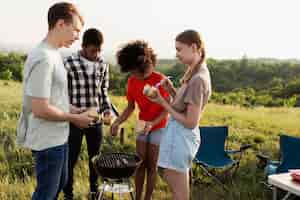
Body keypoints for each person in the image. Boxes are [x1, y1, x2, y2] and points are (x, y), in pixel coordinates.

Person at [16, 2, 95, 200]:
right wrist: (74, 119)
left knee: (59, 184)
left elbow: (50, 97)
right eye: (75, 30)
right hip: (47, 141)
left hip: (59, 137)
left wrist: (73, 109)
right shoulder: (43, 57)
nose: (78, 36)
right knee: (46, 194)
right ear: (60, 24)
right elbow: (40, 108)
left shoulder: (54, 54)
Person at [146, 30, 212, 200]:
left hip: (180, 138)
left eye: (179, 49)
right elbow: (185, 107)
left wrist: (162, 102)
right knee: (179, 189)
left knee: (180, 194)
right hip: (180, 137)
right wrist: (171, 91)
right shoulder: (195, 72)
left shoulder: (198, 79)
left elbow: (190, 121)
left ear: (194, 47)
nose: (177, 55)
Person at [110, 40, 170, 200]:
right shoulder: (132, 81)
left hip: (159, 126)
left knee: (152, 166)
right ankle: (137, 198)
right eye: (130, 72)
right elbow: (130, 107)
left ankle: (147, 198)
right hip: (142, 125)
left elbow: (167, 109)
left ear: (145, 66)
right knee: (140, 164)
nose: (132, 75)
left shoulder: (161, 80)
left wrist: (153, 123)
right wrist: (117, 122)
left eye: (134, 71)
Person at [63, 28, 115, 200]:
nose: (96, 54)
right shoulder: (69, 63)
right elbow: (61, 94)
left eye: (99, 50)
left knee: (95, 160)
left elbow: (103, 91)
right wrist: (71, 111)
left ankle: (94, 192)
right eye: (93, 50)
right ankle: (68, 194)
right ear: (83, 46)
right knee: (70, 160)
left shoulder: (103, 64)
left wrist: (107, 110)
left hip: (95, 121)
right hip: (74, 121)